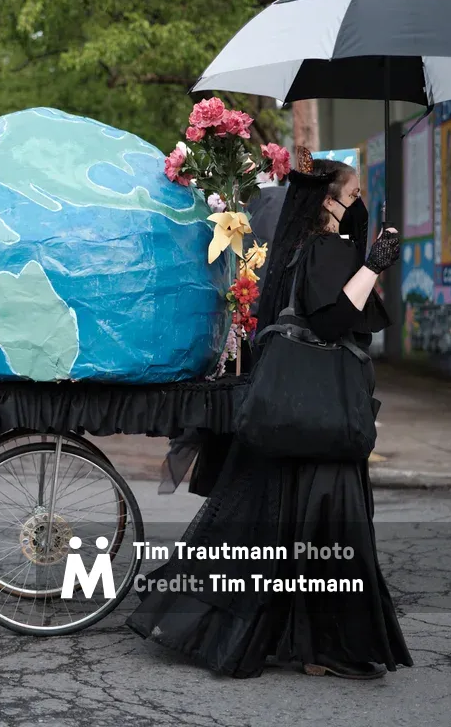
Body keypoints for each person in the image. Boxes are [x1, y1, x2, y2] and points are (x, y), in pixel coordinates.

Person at [126, 153, 412, 680]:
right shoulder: (325, 248)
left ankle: (308, 645)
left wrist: (368, 249)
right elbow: (331, 320)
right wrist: (375, 262)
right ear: (327, 203)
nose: (358, 207)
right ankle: (324, 646)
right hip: (322, 415)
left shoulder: (312, 247)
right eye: (352, 198)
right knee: (327, 532)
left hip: (305, 413)